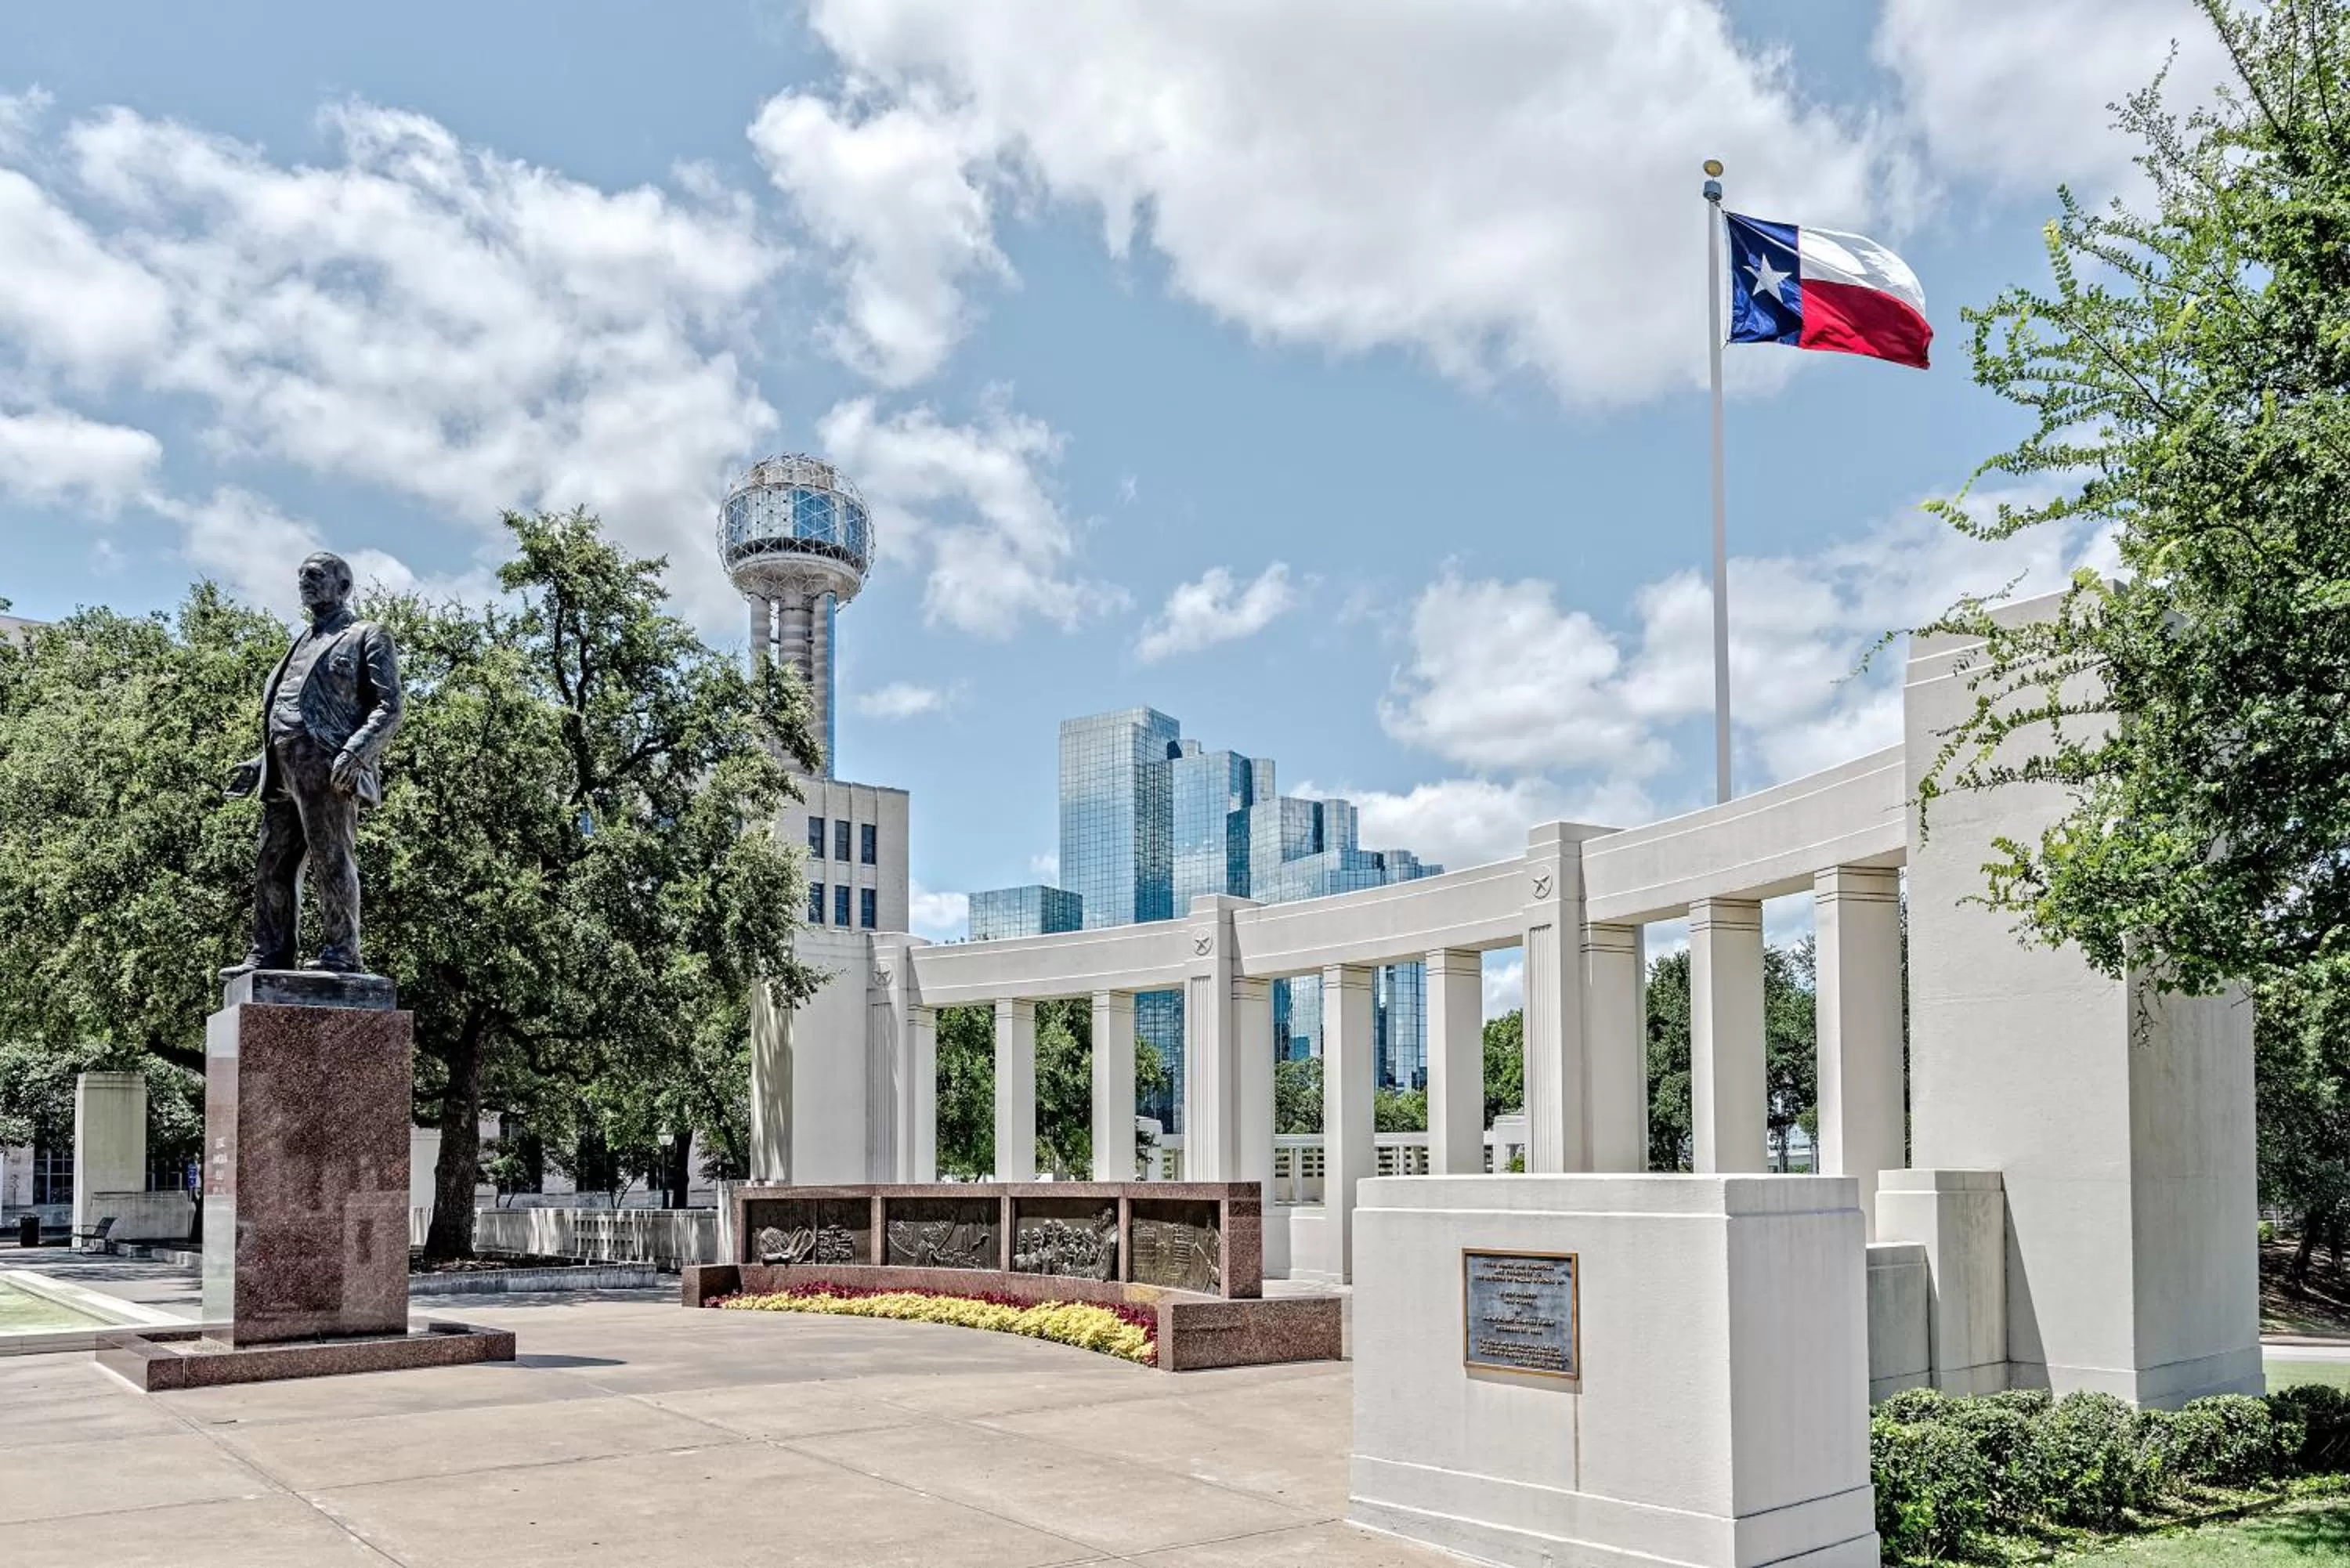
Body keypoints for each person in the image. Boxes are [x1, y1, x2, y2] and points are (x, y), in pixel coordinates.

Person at [219, 551, 403, 977]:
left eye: (316, 576)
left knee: (331, 857)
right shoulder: (298, 642)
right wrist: (260, 761)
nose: (305, 582)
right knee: (272, 862)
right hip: (282, 769)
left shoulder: (366, 635)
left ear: (343, 586)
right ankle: (270, 953)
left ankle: (343, 954)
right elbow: (289, 709)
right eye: (302, 576)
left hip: (329, 764)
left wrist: (357, 752)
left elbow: (389, 706)